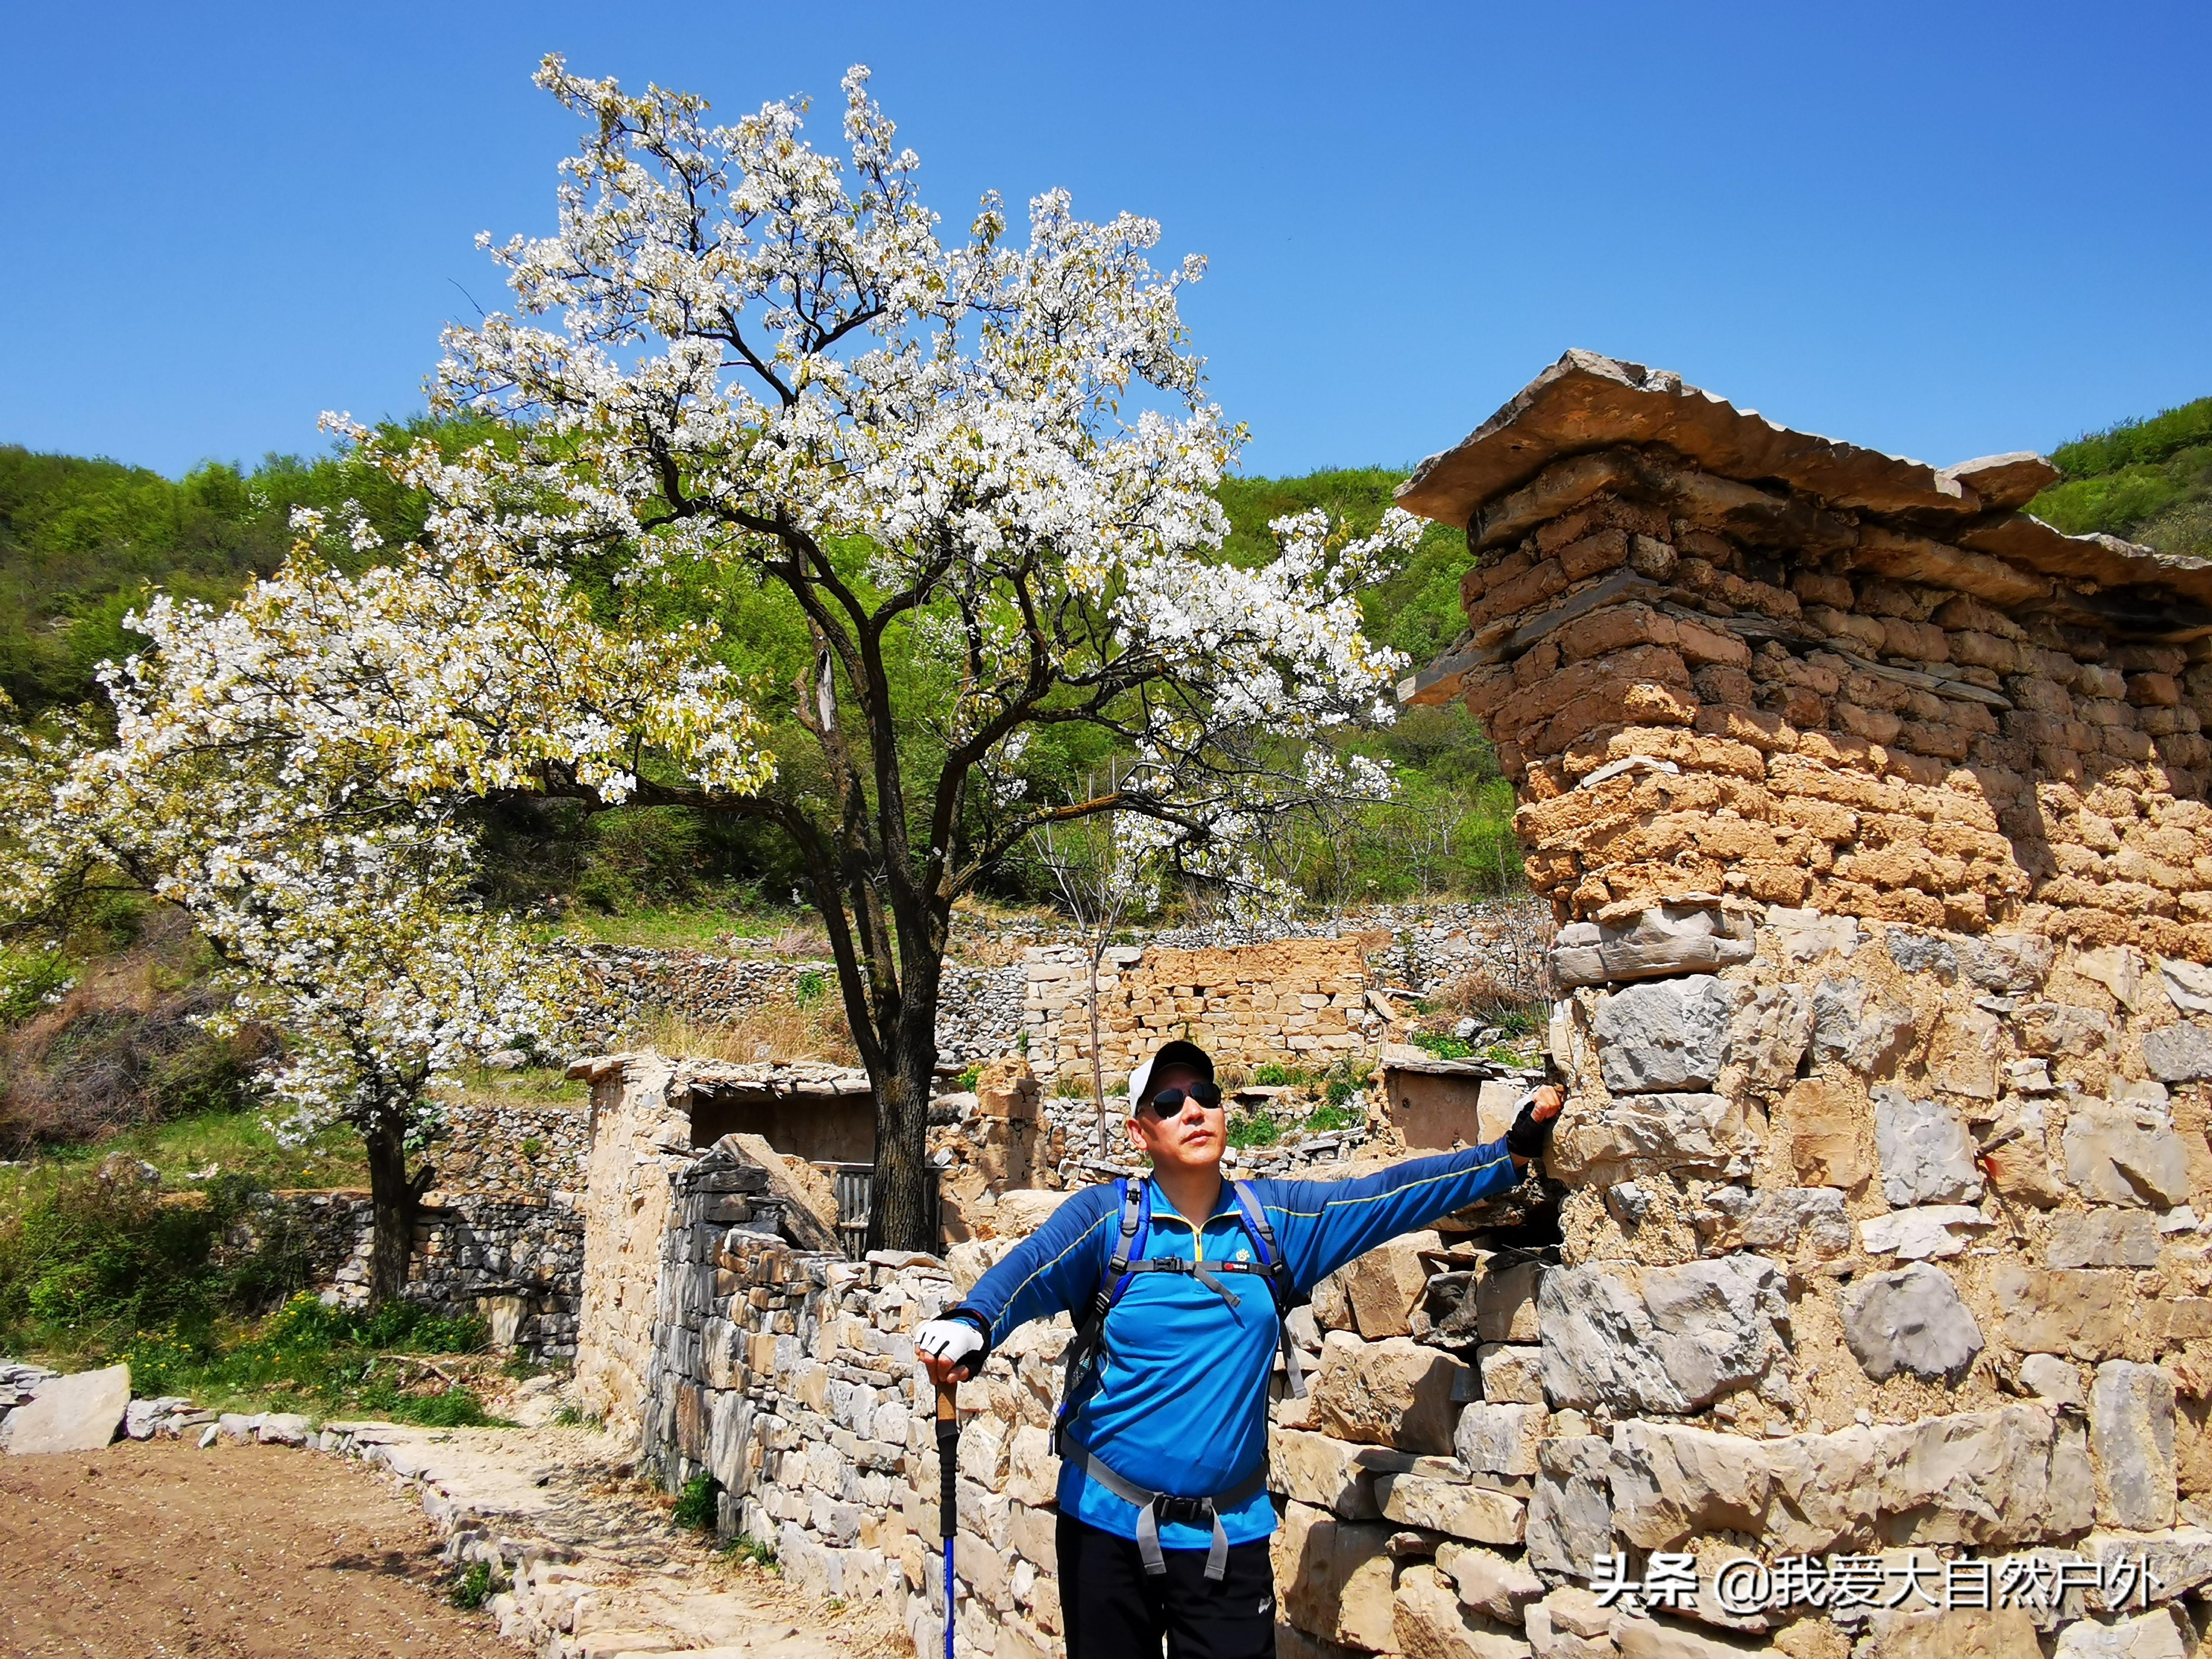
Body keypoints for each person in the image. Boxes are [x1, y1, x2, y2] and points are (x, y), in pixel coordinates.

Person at [915, 1038, 1564, 1659]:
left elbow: (1390, 1196)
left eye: (1204, 1094)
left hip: (1229, 1534)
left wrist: (1508, 1155)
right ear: (1140, 1134)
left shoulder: (1274, 1221)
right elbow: (1029, 1270)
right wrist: (975, 1321)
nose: (1192, 1109)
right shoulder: (1108, 1221)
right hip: (1104, 1527)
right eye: (1167, 1104)